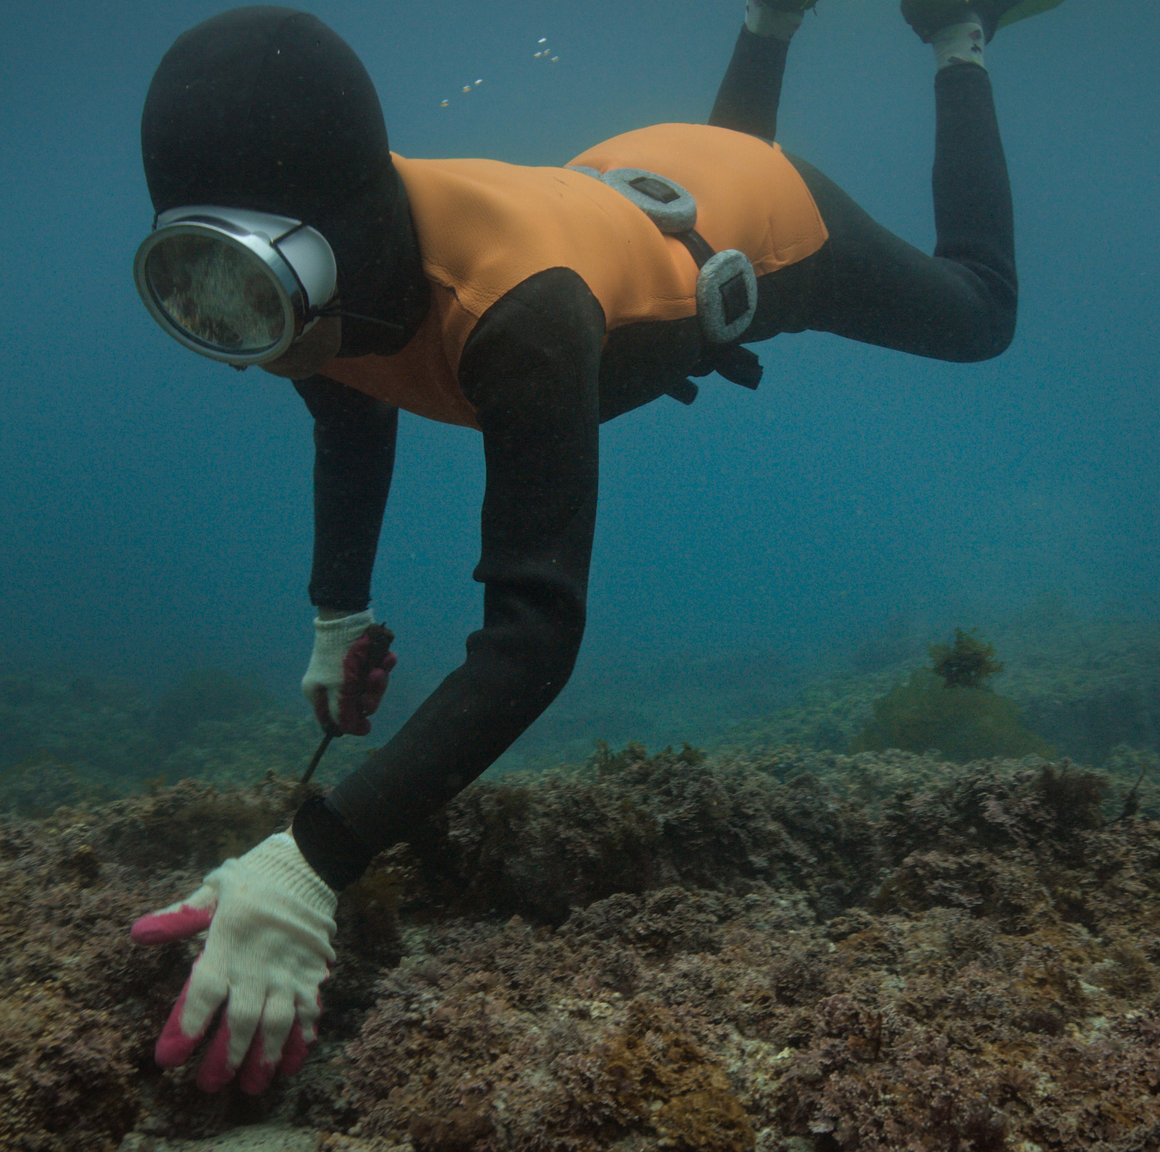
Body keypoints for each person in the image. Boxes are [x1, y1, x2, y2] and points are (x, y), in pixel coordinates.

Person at [126, 0, 1044, 1095]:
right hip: (623, 181)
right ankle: (772, 19)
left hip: (750, 214)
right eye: (196, 290)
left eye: (249, 294)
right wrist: (338, 617)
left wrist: (310, 860)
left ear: (321, 249)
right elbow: (348, 406)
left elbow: (532, 640)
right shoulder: (326, 275)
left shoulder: (518, 318)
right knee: (681, 189)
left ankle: (956, 35)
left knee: (980, 315)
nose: (238, 344)